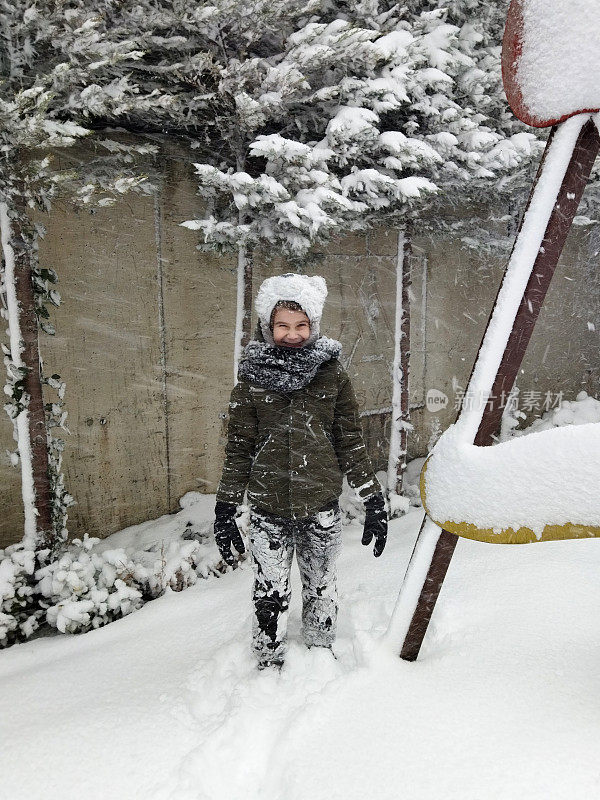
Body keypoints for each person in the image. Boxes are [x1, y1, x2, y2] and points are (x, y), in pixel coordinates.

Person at [213, 273, 388, 670]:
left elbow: (350, 440)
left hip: (320, 506)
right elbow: (239, 448)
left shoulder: (333, 376)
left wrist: (371, 496)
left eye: (301, 325)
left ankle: (320, 656)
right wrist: (225, 508)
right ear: (267, 327)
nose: (292, 335)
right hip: (267, 511)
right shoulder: (251, 380)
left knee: (321, 587)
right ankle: (267, 663)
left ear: (314, 325)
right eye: (282, 326)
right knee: (269, 591)